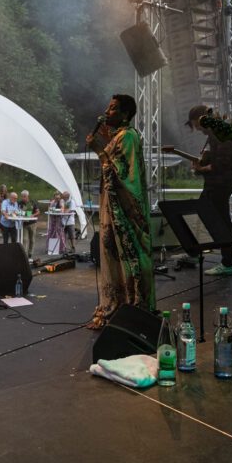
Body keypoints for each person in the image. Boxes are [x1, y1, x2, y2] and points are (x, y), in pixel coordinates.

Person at [85, 95, 155, 329]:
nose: (107, 112)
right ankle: (117, 303)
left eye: (113, 108)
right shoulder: (119, 137)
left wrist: (98, 149)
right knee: (111, 252)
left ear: (125, 114)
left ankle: (133, 307)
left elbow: (122, 174)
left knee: (127, 255)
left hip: (124, 209)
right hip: (111, 205)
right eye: (108, 107)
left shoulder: (128, 136)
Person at [186, 104, 232, 276]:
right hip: (216, 184)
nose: (197, 129)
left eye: (196, 124)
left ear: (202, 118)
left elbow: (221, 164)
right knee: (205, 216)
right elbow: (216, 160)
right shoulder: (214, 133)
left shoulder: (219, 133)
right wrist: (202, 164)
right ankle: (196, 253)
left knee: (221, 221)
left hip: (220, 185)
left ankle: (226, 263)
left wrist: (201, 168)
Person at [18, 190, 39, 258]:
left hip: (32, 223)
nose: (23, 198)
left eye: (24, 196)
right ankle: (24, 253)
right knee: (24, 239)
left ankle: (30, 253)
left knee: (32, 239)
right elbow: (17, 211)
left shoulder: (33, 202)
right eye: (22, 196)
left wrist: (33, 215)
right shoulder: (19, 203)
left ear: (28, 196)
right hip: (24, 224)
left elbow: (38, 212)